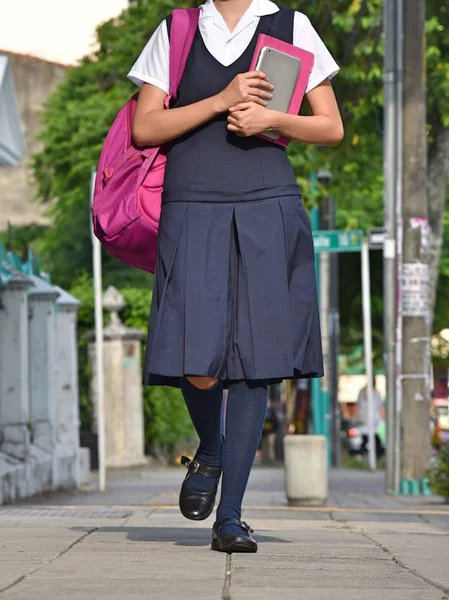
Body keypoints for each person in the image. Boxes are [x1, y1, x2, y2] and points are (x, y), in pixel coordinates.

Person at [128, 0, 343, 553]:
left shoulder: (290, 26)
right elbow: (144, 127)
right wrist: (220, 101)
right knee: (196, 356)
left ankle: (231, 518)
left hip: (267, 204)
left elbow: (331, 126)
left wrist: (272, 120)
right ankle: (212, 448)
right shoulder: (177, 29)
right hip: (191, 202)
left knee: (255, 361)